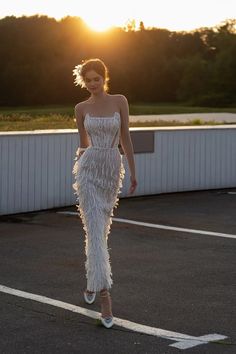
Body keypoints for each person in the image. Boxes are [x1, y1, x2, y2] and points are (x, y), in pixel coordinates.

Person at [72, 58, 137, 328]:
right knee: (95, 229)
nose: (92, 84)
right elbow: (83, 144)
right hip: (88, 170)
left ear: (104, 78)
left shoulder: (120, 100)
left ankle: (92, 280)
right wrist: (82, 161)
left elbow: (126, 137)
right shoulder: (80, 108)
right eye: (88, 80)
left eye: (96, 78)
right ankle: (105, 297)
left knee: (100, 230)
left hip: (111, 170)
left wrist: (133, 171)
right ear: (83, 82)